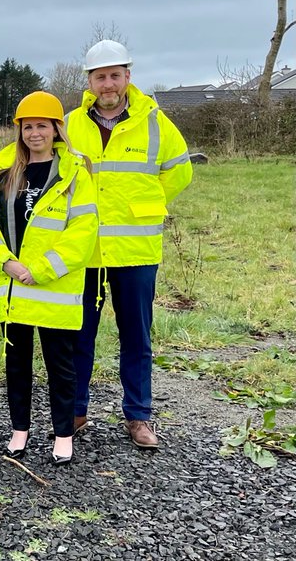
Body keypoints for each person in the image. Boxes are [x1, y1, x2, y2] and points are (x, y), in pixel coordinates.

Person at [66, 40, 193, 449]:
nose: (108, 84)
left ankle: (138, 415)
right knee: (77, 335)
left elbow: (179, 172)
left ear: (128, 77)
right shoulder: (70, 125)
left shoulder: (156, 123)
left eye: (115, 76)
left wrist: (145, 205)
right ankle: (74, 411)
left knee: (137, 337)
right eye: (100, 76)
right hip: (83, 251)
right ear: (89, 81)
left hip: (135, 252)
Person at [0, 91, 98, 465]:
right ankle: (19, 431)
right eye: (28, 127)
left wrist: (39, 269)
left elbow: (83, 233)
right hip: (12, 289)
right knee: (17, 364)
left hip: (53, 289)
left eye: (42, 126)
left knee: (61, 366)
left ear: (57, 129)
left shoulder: (75, 174)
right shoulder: (2, 173)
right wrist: (5, 262)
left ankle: (63, 434)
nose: (34, 133)